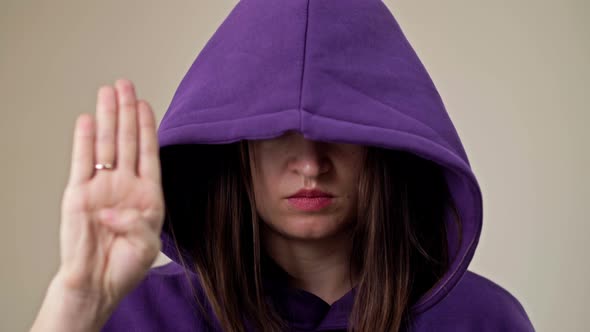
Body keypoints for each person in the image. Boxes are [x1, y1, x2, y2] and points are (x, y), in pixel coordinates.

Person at [30, 0, 536, 331]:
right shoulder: (134, 314)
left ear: (385, 145)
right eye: (275, 132)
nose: (311, 165)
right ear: (231, 146)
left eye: (341, 128)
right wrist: (75, 302)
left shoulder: (483, 319)